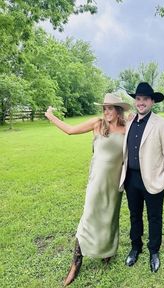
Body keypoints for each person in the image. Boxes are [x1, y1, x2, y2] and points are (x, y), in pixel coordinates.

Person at [45, 93, 130, 286]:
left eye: (111, 108)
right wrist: (51, 116)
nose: (107, 112)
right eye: (105, 108)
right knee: (89, 217)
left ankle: (107, 252)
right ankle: (76, 263)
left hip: (115, 183)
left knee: (109, 218)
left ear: (118, 110)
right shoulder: (97, 124)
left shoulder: (126, 129)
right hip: (96, 181)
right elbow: (70, 130)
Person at [119, 82, 164, 273]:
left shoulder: (163, 125)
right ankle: (136, 247)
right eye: (138, 99)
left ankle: (154, 251)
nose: (141, 102)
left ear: (152, 101)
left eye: (145, 99)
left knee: (154, 217)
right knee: (134, 215)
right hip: (131, 179)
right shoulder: (129, 122)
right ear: (135, 101)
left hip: (154, 179)